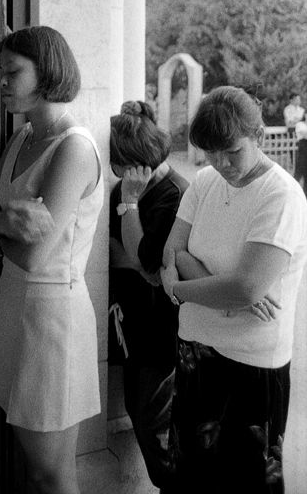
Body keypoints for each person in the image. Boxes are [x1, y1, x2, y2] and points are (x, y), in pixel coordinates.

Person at [0, 26, 103, 494]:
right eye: (2, 73)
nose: (2, 83)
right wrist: (5, 219)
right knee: (37, 469)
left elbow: (35, 254)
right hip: (14, 307)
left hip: (51, 319)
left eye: (13, 73)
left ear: (47, 71)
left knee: (51, 472)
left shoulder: (73, 147)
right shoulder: (23, 135)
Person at [160, 86, 307, 494]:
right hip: (196, 351)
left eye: (232, 151)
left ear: (258, 138)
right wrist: (222, 287)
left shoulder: (281, 196)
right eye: (211, 152)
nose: (221, 163)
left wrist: (182, 288)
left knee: (245, 482)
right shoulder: (205, 182)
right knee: (190, 479)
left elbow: (245, 288)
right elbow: (171, 251)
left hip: (251, 362)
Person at [109, 101, 188, 493]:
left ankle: (172, 486)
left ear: (134, 163)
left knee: (149, 418)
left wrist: (130, 205)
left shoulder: (173, 195)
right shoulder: (128, 192)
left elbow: (147, 265)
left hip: (161, 328)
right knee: (138, 411)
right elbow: (112, 252)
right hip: (132, 322)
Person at [295, 116, 307, 196]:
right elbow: (304, 133)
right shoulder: (300, 124)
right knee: (297, 175)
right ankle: (293, 194)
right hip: (303, 152)